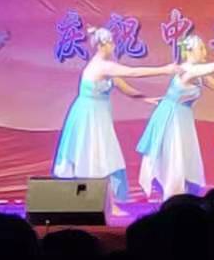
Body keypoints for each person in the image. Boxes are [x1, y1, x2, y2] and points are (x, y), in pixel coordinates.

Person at [51, 26, 176, 216]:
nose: (114, 45)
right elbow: (133, 72)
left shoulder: (106, 67)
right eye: (111, 42)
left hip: (97, 116)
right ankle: (103, 204)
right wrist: (165, 69)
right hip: (90, 118)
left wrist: (144, 98)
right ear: (103, 45)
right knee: (97, 157)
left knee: (102, 156)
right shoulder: (101, 66)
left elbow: (123, 85)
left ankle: (105, 203)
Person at [134, 34, 214, 202]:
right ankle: (172, 197)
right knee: (174, 157)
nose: (205, 51)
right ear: (190, 51)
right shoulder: (188, 70)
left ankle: (181, 195)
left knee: (184, 157)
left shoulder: (198, 71)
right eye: (201, 48)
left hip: (183, 117)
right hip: (171, 117)